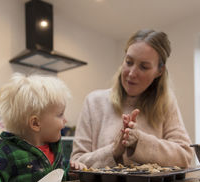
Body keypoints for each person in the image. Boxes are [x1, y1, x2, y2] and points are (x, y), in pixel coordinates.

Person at [70, 29, 193, 170]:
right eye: (129, 62)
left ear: (159, 71)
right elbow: (76, 163)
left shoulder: (166, 103)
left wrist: (139, 141)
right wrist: (113, 151)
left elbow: (185, 156)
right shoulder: (94, 102)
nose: (132, 73)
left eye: (144, 67)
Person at [0, 73, 75, 182]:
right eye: (60, 114)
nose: (65, 120)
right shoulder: (5, 153)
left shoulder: (55, 148)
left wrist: (73, 172)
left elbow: (63, 178)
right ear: (35, 123)